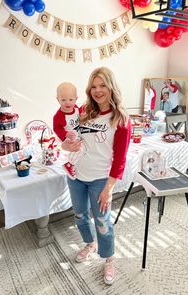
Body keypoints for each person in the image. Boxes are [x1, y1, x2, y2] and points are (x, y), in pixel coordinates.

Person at [61, 67, 132, 285]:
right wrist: (66, 144)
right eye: (93, 86)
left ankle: (109, 258)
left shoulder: (121, 119)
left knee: (102, 221)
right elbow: (69, 140)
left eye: (102, 85)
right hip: (76, 177)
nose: (98, 90)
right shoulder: (83, 111)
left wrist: (108, 189)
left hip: (100, 179)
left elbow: (120, 159)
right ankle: (90, 244)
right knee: (80, 216)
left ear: (111, 87)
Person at [53, 82, 85, 179]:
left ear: (76, 98)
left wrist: (82, 116)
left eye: (71, 99)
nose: (68, 103)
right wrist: (65, 134)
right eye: (63, 100)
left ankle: (76, 164)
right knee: (79, 149)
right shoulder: (59, 116)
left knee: (84, 148)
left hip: (78, 134)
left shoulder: (75, 108)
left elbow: (79, 115)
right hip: (69, 138)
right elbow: (57, 128)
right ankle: (69, 164)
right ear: (58, 99)